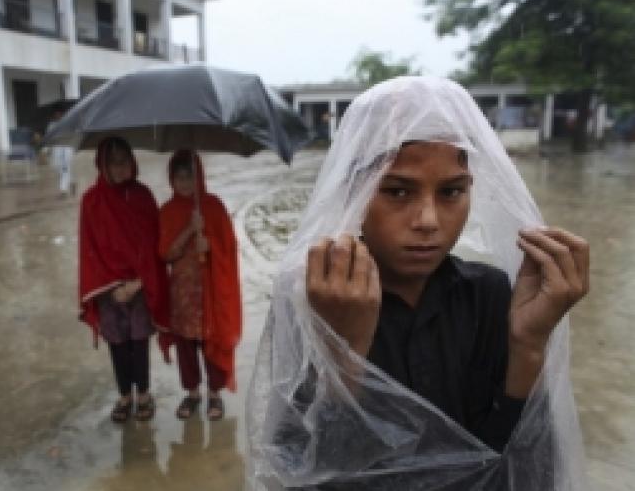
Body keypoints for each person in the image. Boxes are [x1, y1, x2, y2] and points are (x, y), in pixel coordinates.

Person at [246, 77, 590, 490]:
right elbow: (295, 474)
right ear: (354, 193)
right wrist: (343, 355)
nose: (428, 220)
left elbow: (530, 476)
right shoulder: (315, 302)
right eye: (397, 191)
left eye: (451, 191)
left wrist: (529, 348)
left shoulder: (489, 296)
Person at [78, 137, 169, 422]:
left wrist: (139, 282)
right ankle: (124, 396)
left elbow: (155, 243)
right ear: (102, 164)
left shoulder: (143, 197)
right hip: (108, 290)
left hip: (139, 285)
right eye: (113, 162)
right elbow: (89, 248)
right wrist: (113, 285)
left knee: (139, 341)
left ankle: (143, 394)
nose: (120, 168)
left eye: (124, 161)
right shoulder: (91, 201)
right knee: (117, 344)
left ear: (133, 162)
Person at [158, 150, 242, 421]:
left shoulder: (214, 206)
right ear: (172, 179)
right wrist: (189, 232)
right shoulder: (168, 211)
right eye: (179, 177)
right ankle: (192, 393)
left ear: (199, 177)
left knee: (211, 339)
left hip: (210, 292)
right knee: (186, 346)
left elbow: (229, 248)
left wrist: (211, 246)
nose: (184, 183)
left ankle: (214, 393)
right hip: (182, 295)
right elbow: (165, 254)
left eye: (189, 177)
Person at [47, 110, 74, 196]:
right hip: (57, 148)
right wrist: (46, 149)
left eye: (59, 114)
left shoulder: (69, 122)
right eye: (56, 114)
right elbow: (49, 137)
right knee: (57, 167)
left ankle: (63, 190)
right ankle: (72, 181)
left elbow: (73, 134)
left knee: (65, 168)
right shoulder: (51, 125)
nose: (58, 115)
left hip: (67, 147)